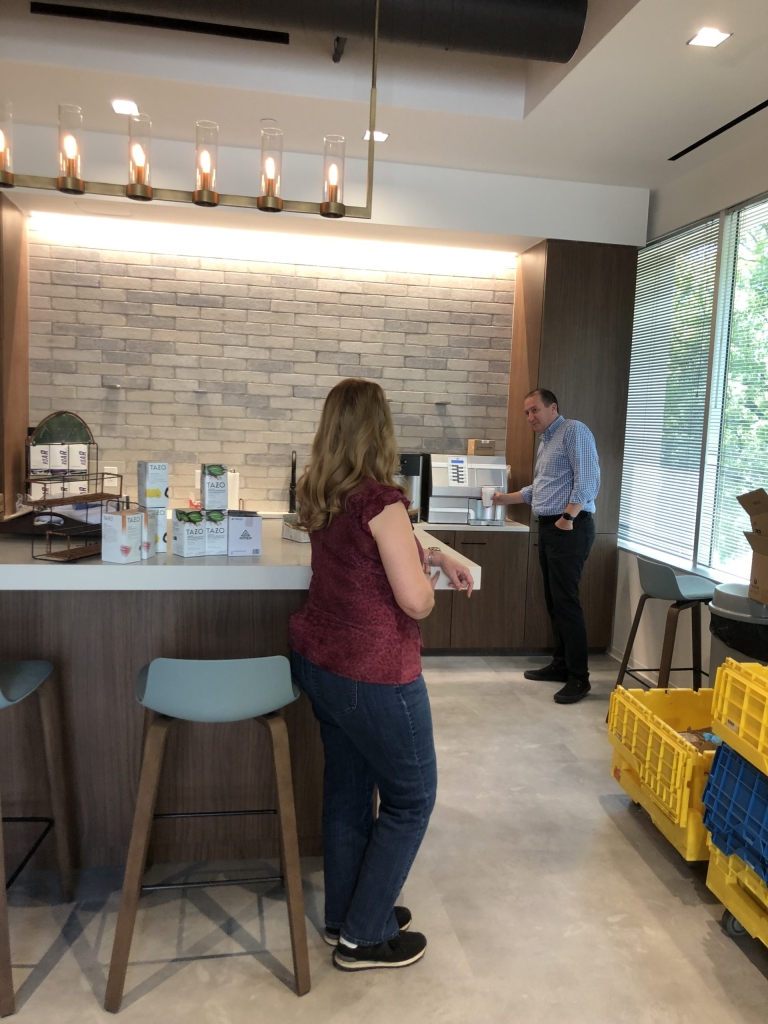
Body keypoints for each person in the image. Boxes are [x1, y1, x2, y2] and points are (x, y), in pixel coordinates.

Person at [289, 378, 474, 972]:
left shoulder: (321, 493)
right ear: (380, 429)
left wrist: (433, 552)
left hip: (323, 665)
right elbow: (416, 603)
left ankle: (346, 914)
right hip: (376, 674)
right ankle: (366, 937)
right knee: (411, 798)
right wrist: (431, 581)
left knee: (347, 790)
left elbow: (373, 552)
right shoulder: (382, 499)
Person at [494, 389, 600, 704]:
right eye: (526, 413)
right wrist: (504, 498)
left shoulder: (573, 431)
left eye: (535, 410)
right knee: (554, 601)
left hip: (569, 526)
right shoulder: (546, 441)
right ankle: (561, 664)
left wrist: (568, 516)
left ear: (553, 407)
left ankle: (580, 679)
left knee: (566, 602)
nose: (530, 417)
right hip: (551, 527)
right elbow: (539, 488)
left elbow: (589, 479)